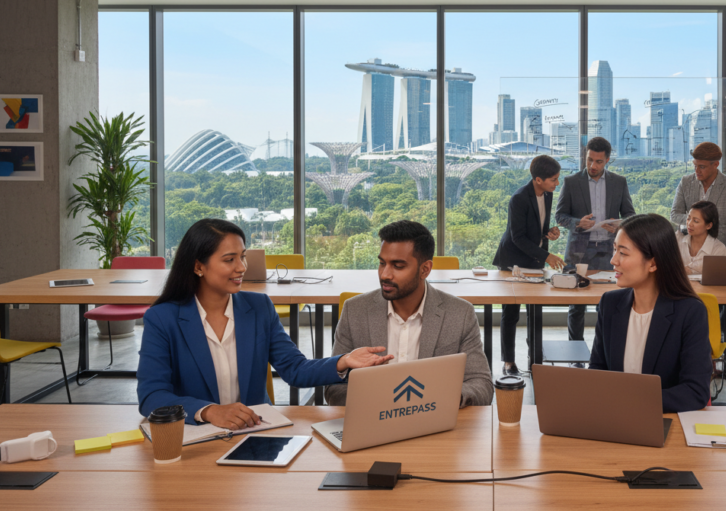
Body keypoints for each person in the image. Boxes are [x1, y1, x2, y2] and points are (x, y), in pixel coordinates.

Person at [137, 218, 393, 428]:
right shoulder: (163, 318)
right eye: (229, 260)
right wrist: (209, 412)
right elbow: (152, 396)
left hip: (254, 431)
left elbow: (294, 369)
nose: (241, 268)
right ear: (198, 267)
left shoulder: (258, 308)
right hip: (196, 436)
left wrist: (343, 361)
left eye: (243, 257)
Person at [325, 220, 493, 407]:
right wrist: (383, 404)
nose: (385, 275)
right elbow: (334, 388)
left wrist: (442, 399)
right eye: (382, 263)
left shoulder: (460, 314)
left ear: (425, 269)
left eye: (398, 266)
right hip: (374, 424)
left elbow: (482, 385)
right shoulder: (354, 311)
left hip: (434, 423)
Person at [588, 214, 712, 412]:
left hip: (664, 424)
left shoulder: (689, 312)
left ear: (653, 263)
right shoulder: (610, 304)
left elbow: (695, 392)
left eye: (623, 253)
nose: (613, 261)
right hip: (613, 421)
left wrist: (630, 401)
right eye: (614, 250)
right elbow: (597, 371)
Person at [669, 141, 726, 374]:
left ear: (716, 164)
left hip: (719, 257)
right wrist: (695, 220)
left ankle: (722, 368)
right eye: (695, 165)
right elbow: (674, 214)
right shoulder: (686, 182)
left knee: (722, 318)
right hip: (691, 245)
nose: (697, 170)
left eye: (702, 166)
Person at [555, 136, 636, 349]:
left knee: (609, 304)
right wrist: (577, 223)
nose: (592, 165)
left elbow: (630, 215)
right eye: (589, 160)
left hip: (611, 251)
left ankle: (605, 351)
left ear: (607, 160)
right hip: (580, 251)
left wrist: (620, 226)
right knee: (576, 306)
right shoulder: (571, 182)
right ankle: (575, 353)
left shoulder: (619, 182)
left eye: (598, 161)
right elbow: (560, 215)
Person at [493, 154, 565, 376]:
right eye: (553, 179)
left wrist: (549, 233)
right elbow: (518, 237)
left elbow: (537, 227)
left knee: (535, 310)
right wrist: (547, 255)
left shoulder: (548, 194)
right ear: (538, 179)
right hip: (513, 261)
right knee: (511, 312)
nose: (557, 183)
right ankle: (508, 361)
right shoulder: (519, 198)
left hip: (533, 259)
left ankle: (535, 358)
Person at [677, 201, 726, 275]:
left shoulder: (718, 248)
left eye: (696, 221)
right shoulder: (678, 239)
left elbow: (715, 278)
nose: (689, 224)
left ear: (709, 226)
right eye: (688, 218)